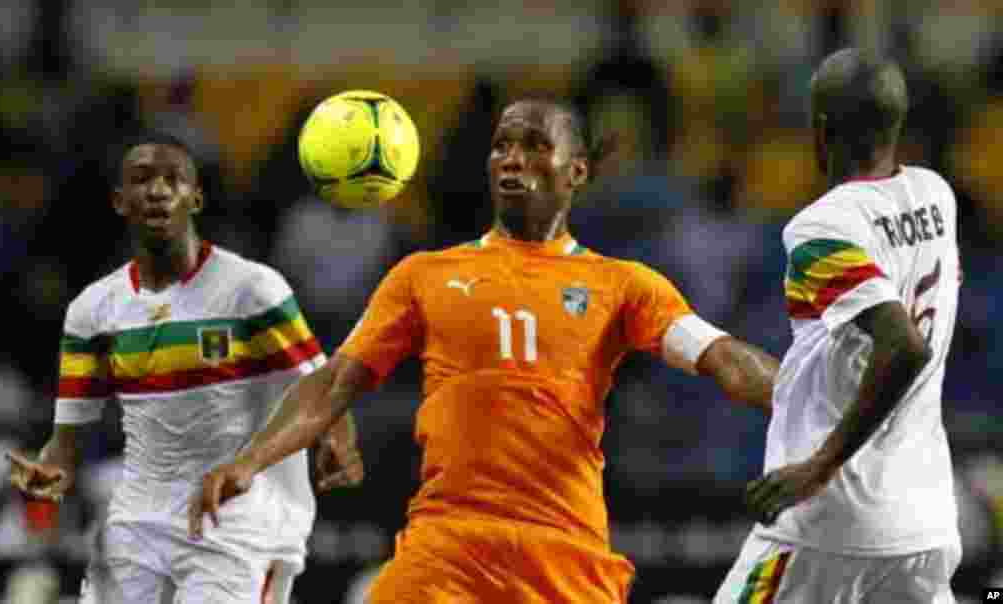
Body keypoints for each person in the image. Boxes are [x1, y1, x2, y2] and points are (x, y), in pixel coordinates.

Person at [191, 97, 780, 603]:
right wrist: (249, 460)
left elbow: (725, 359)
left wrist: (823, 416)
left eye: (532, 144)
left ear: (576, 171)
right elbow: (334, 381)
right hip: (448, 543)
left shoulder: (623, 285)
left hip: (563, 550)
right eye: (501, 145)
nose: (511, 158)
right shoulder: (423, 275)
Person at [7, 132, 363, 604]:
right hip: (137, 520)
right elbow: (67, 440)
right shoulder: (92, 311)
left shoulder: (252, 289)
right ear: (119, 201)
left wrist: (340, 437)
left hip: (239, 517)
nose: (157, 191)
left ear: (195, 198)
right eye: (141, 180)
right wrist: (52, 470)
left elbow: (324, 386)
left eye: (172, 180)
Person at [715, 48, 963, 603]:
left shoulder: (821, 227)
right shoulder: (936, 196)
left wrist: (819, 467)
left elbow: (904, 346)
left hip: (828, 526)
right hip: (922, 522)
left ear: (820, 132)